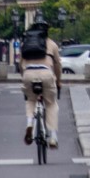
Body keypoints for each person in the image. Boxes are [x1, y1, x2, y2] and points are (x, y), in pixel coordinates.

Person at [20, 21, 61, 149]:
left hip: (29, 73)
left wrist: (24, 76)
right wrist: (58, 81)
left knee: (31, 100)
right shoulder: (52, 44)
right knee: (51, 104)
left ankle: (29, 124)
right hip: (46, 73)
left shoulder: (25, 43)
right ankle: (53, 136)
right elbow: (58, 65)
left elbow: (20, 64)